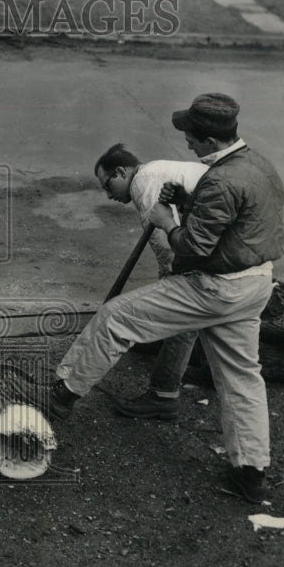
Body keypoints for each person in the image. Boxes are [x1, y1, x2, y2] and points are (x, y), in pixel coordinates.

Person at [50, 93, 284, 503]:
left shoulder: (221, 180)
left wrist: (165, 222)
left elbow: (189, 249)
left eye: (192, 138)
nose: (189, 146)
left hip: (217, 286)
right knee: (242, 376)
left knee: (113, 318)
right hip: (256, 284)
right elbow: (240, 221)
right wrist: (188, 202)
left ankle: (60, 398)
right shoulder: (256, 164)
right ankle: (251, 474)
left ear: (211, 140)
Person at [93, 143, 207, 420]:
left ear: (121, 171)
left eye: (108, 186)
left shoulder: (144, 183)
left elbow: (168, 252)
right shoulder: (154, 172)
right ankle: (209, 369)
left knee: (182, 308)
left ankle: (163, 396)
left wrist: (169, 292)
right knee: (201, 300)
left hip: (222, 237)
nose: (109, 196)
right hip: (228, 237)